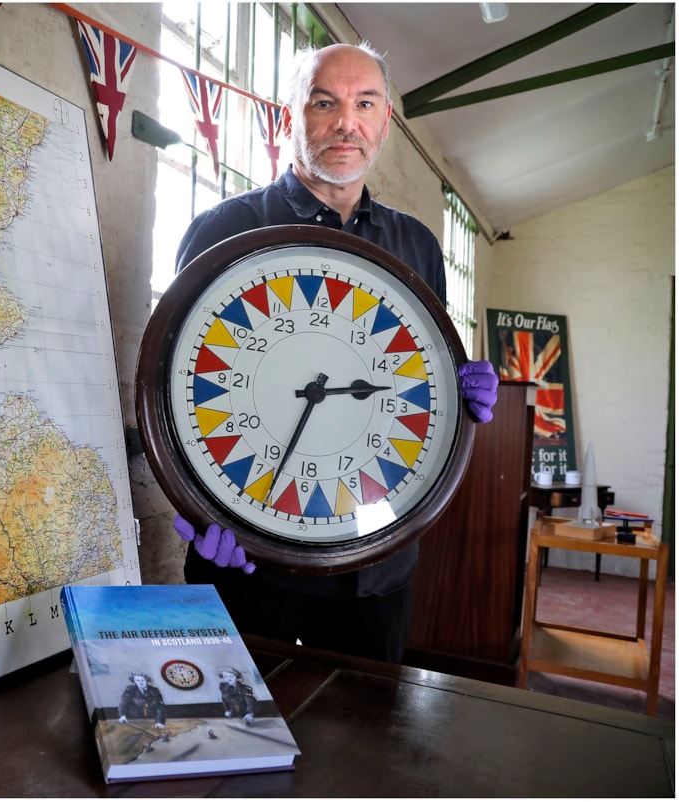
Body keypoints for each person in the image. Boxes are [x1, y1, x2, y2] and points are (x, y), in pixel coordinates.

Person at [173, 42, 498, 664]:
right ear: (292, 114)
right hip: (248, 563)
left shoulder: (418, 245)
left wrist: (457, 397)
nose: (346, 122)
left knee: (367, 746)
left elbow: (415, 377)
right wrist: (194, 511)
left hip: (376, 569)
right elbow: (175, 386)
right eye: (325, 102)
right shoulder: (223, 230)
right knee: (232, 743)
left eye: (364, 104)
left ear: (383, 123)